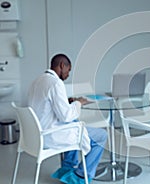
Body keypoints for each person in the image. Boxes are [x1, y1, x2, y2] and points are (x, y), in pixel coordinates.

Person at [28, 53, 107, 184]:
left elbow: (46, 106)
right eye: (68, 70)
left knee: (75, 125)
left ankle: (67, 169)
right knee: (101, 135)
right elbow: (65, 116)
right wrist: (79, 103)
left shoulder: (38, 81)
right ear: (62, 65)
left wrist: (67, 101)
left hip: (37, 134)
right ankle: (80, 176)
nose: (68, 74)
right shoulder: (55, 83)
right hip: (50, 136)